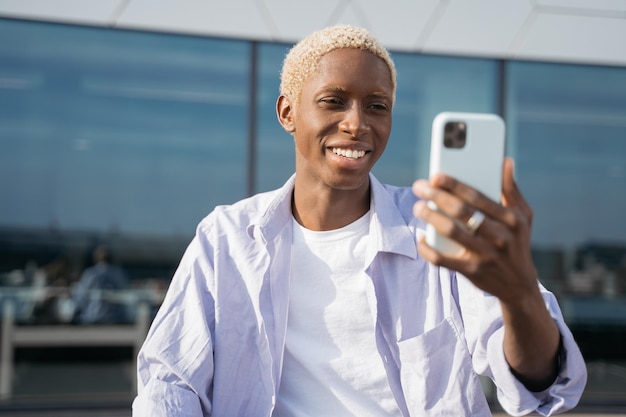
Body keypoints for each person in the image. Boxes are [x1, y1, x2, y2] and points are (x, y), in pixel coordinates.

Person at [132, 25, 586, 416]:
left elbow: (540, 381)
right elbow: (170, 383)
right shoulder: (227, 239)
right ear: (288, 112)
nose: (356, 124)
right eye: (334, 101)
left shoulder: (435, 229)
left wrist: (520, 294)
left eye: (376, 106)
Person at [71, 245, 129, 324]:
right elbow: (125, 295)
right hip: (115, 318)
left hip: (93, 317)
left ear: (96, 258)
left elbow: (81, 297)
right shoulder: (118, 274)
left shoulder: (90, 274)